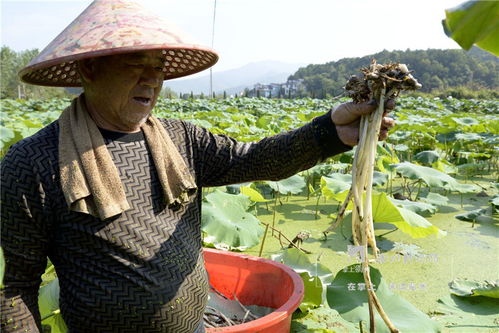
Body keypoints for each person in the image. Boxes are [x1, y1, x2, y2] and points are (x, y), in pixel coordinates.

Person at [0, 1, 394, 332]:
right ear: (89, 69)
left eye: (160, 66)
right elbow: (15, 287)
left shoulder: (182, 140)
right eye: (137, 63)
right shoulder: (33, 163)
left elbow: (257, 159)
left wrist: (330, 132)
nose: (153, 79)